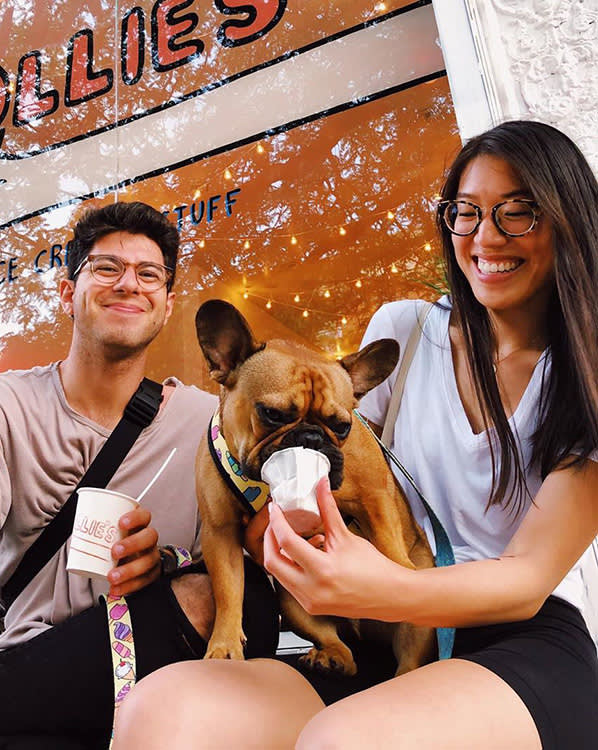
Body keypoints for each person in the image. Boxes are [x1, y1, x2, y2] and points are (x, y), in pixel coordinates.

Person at [112, 120, 598, 750]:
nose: (484, 237)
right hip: (371, 627)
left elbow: (529, 576)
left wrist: (387, 588)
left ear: (569, 220)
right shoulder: (410, 330)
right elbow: (332, 479)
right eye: (466, 213)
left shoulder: (584, 377)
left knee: (347, 739)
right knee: (162, 708)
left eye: (517, 214)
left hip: (512, 636)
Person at [0, 201, 278, 750]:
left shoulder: (209, 422)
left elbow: (252, 549)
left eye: (149, 275)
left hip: (169, 689)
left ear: (167, 305)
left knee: (220, 596)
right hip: (29, 677)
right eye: (106, 268)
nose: (130, 284)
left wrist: (166, 561)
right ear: (66, 293)